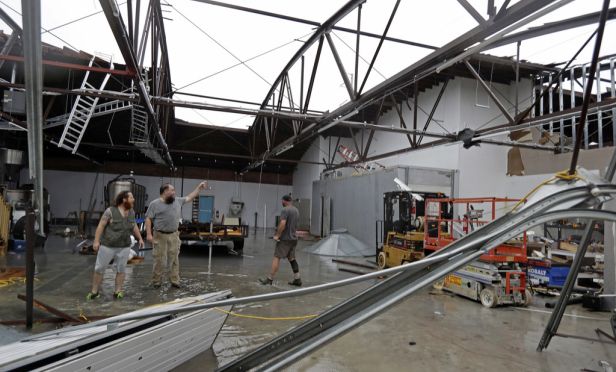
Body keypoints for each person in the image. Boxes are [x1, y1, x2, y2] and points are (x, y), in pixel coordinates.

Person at [146, 181, 207, 288]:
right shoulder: (154, 204)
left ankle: (174, 281)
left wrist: (199, 187)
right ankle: (156, 282)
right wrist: (149, 234)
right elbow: (148, 219)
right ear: (165, 191)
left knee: (174, 259)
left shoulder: (177, 201)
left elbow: (190, 197)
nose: (174, 192)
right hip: (160, 235)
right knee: (159, 260)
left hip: (174, 235)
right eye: (172, 190)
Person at [86, 190, 144, 300]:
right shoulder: (110, 211)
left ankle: (117, 291)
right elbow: (101, 226)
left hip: (124, 246)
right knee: (99, 269)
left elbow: (134, 225)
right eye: (131, 198)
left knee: (121, 269)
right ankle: (94, 292)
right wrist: (96, 241)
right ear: (124, 199)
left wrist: (140, 238)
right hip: (108, 245)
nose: (133, 200)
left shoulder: (131, 211)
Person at [259, 195, 301, 286]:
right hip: (293, 239)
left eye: (282, 201)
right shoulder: (296, 210)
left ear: (285, 201)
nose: (282, 203)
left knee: (276, 257)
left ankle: (269, 279)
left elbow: (282, 223)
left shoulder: (285, 210)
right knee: (292, 258)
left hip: (285, 239)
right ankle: (297, 279)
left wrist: (277, 235)